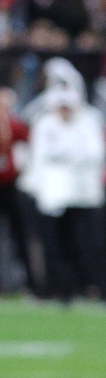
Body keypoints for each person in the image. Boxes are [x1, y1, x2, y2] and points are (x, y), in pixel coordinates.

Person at [23, 58, 106, 302]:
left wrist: (63, 156)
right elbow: (39, 159)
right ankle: (63, 291)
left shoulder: (90, 120)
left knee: (92, 245)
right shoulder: (44, 123)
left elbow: (95, 155)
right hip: (55, 195)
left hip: (86, 194)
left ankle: (101, 290)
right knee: (57, 247)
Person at [0, 90, 33, 293]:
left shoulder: (13, 124)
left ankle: (27, 283)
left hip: (11, 184)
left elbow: (29, 139)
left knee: (19, 234)